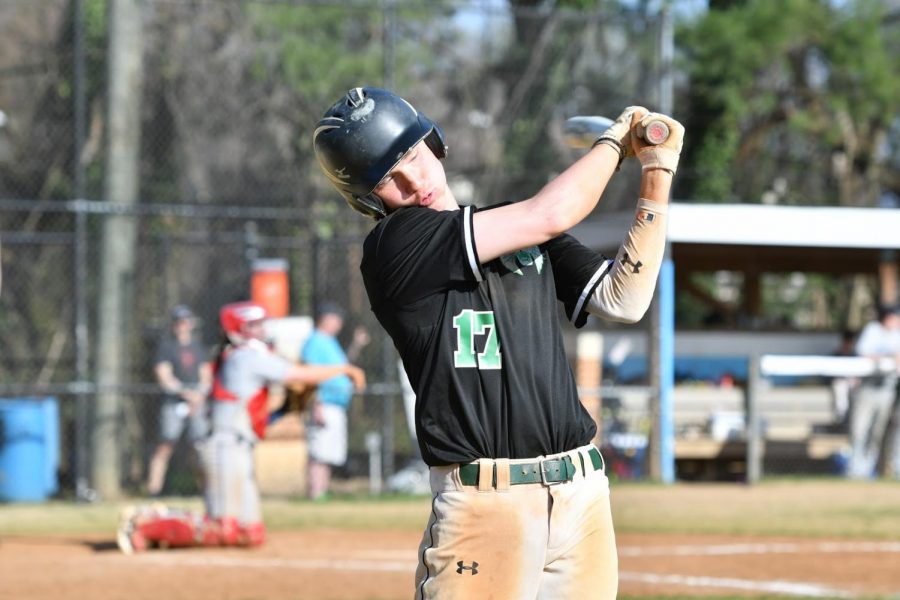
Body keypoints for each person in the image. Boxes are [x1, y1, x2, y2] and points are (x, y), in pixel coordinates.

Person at [313, 87, 683, 599]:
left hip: (582, 495)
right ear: (367, 199)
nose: (414, 179)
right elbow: (550, 214)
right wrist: (615, 146)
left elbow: (625, 300)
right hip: (485, 504)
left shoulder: (518, 225)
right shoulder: (394, 248)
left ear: (434, 142)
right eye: (388, 179)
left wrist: (657, 172)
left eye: (414, 155)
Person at [117, 301, 366, 553]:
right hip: (221, 445)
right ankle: (144, 526)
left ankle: (162, 518)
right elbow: (297, 374)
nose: (260, 330)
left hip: (239, 446)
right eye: (253, 325)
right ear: (238, 330)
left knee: (251, 534)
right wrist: (343, 369)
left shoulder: (246, 355)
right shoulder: (245, 357)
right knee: (223, 529)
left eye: (260, 324)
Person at [302, 302, 370, 500]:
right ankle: (316, 492)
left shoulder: (330, 342)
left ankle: (322, 491)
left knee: (329, 452)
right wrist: (316, 404)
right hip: (324, 403)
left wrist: (356, 344)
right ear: (326, 319)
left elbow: (343, 368)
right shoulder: (315, 341)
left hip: (336, 404)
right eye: (336, 320)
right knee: (319, 452)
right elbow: (311, 375)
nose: (339, 325)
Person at [146, 304, 212, 497]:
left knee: (199, 448)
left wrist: (198, 396)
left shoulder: (198, 348)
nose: (183, 325)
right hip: (174, 403)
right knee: (165, 445)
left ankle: (205, 490)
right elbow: (164, 377)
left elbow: (206, 376)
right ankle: (154, 491)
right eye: (179, 322)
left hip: (197, 403)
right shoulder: (166, 347)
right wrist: (186, 394)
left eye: (185, 321)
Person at [847, 303, 900, 479]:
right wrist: (886, 356)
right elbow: (863, 352)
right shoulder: (873, 330)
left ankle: (869, 468)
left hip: (887, 389)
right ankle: (855, 469)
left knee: (877, 431)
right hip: (868, 388)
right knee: (859, 429)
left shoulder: (897, 334)